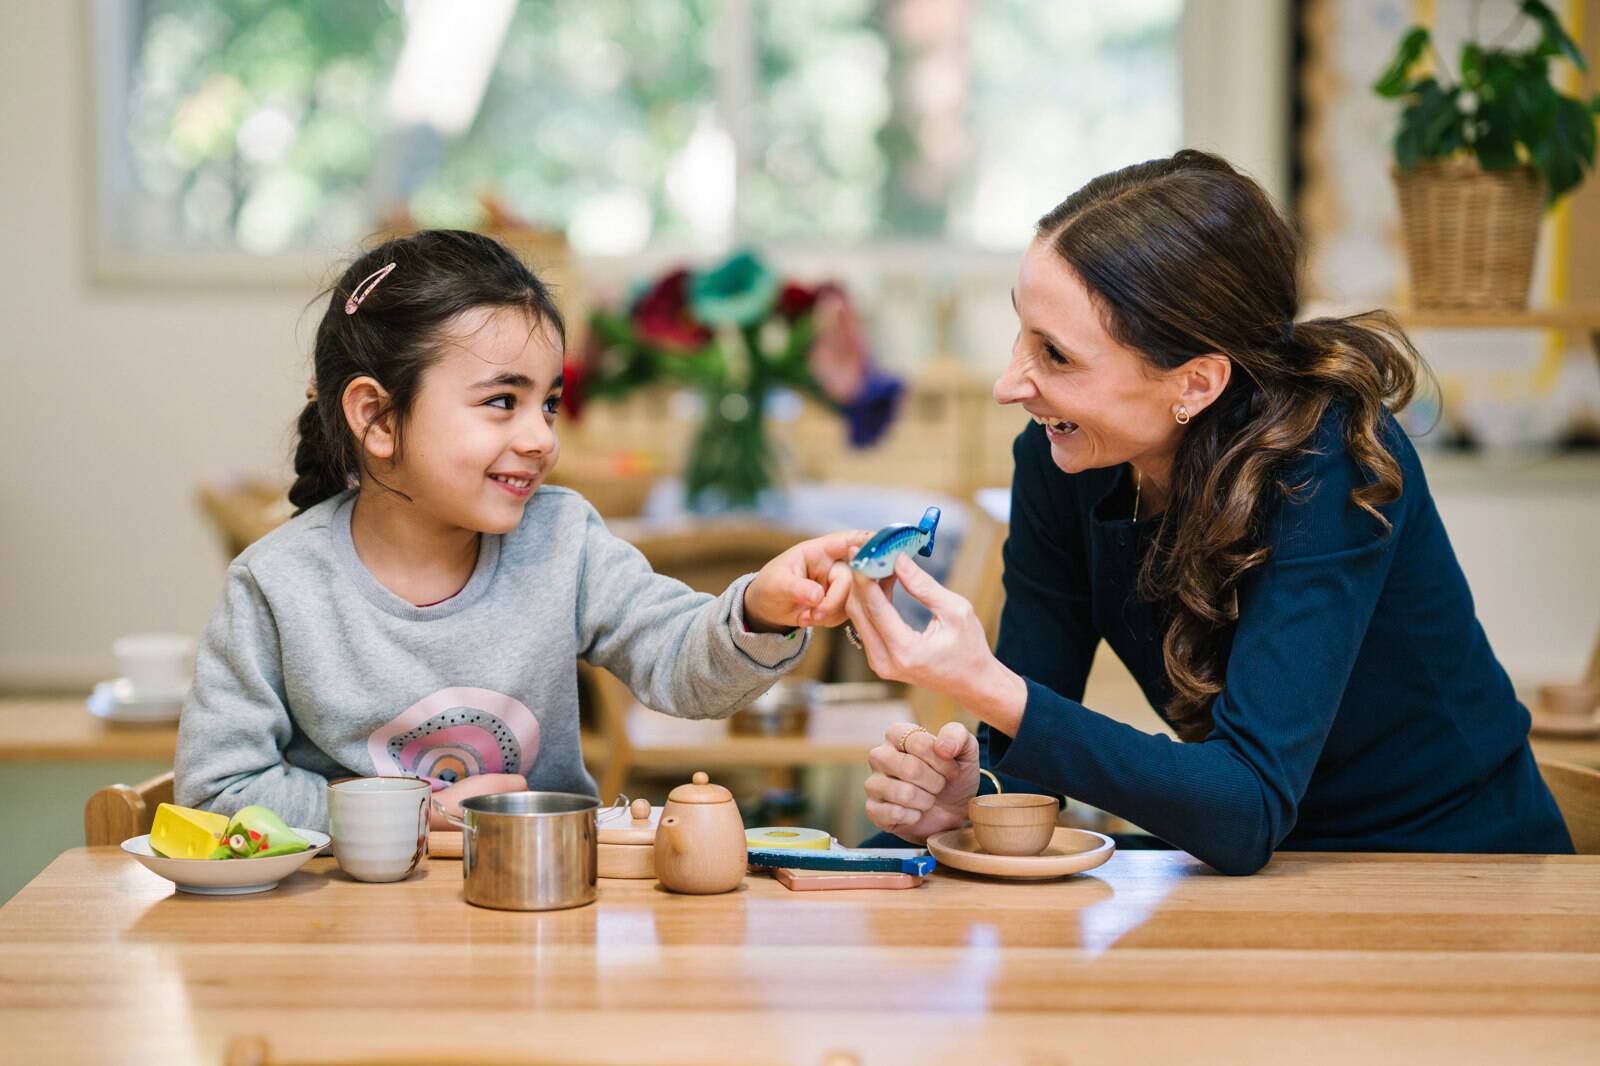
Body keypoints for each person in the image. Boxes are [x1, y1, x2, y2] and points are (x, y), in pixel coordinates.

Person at [847, 150, 1573, 874]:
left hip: (1452, 873)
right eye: (1020, 331)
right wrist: (974, 798)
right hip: (1259, 874)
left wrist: (989, 687)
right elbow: (1030, 767)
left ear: (1196, 382)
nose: (1011, 384)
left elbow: (1245, 806)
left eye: (1056, 355)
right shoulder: (1060, 457)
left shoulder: (1329, 460)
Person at [176, 229, 865, 831]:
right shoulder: (275, 585)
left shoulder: (562, 541)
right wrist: (410, 812)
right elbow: (217, 792)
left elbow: (683, 666)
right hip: (349, 937)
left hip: (542, 913)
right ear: (378, 418)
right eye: (502, 402)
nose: (540, 438)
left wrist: (757, 611)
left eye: (550, 404)